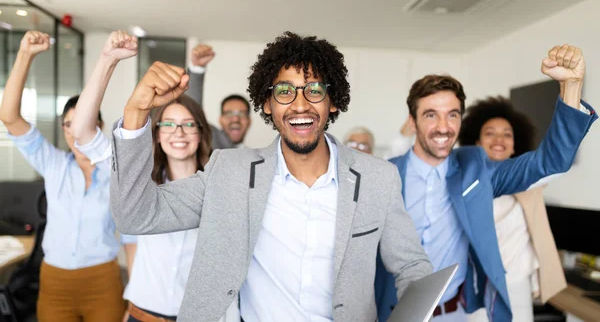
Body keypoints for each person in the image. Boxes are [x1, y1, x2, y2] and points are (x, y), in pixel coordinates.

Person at [110, 31, 432, 322]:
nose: (300, 105)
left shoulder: (378, 178)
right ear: (267, 103)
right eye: (284, 91)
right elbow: (136, 215)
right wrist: (137, 113)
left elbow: (412, 268)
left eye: (315, 90)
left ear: (333, 102)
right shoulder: (229, 173)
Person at [375, 44, 597, 322]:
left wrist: (572, 87)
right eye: (431, 114)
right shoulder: (382, 175)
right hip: (392, 314)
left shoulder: (476, 170)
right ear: (413, 120)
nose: (443, 127)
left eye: (452, 114)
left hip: (455, 314)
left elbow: (549, 162)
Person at [71, 31, 214, 322]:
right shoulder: (139, 180)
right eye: (169, 124)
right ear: (157, 133)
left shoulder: (219, 183)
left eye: (189, 125)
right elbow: (82, 131)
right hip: (143, 314)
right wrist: (107, 60)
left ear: (201, 133)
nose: (179, 133)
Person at [0, 31, 137, 322]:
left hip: (103, 281)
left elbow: (131, 239)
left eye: (82, 123)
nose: (75, 133)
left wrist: (135, 300)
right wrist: (25, 55)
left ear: (96, 125)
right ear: (63, 130)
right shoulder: (53, 164)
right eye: (68, 125)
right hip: (55, 282)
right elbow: (9, 117)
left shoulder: (117, 171)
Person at [458, 97, 567, 322]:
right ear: (476, 142)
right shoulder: (462, 181)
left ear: (515, 144)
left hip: (517, 281)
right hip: (477, 281)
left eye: (507, 134)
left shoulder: (529, 181)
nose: (499, 139)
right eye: (490, 133)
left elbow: (555, 160)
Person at [186, 44, 252, 149]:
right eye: (229, 113)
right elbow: (191, 114)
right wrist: (198, 69)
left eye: (242, 114)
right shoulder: (210, 139)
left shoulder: (252, 156)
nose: (235, 118)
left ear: (249, 121)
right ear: (220, 119)